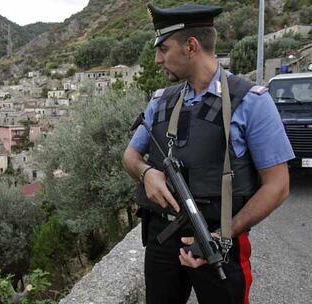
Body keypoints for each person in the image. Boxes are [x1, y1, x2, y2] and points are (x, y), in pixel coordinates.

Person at [122, 3, 295, 304]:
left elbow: (278, 186)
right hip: (162, 238)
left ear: (191, 46)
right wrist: (147, 173)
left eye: (163, 48)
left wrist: (222, 237)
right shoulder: (160, 102)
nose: (157, 59)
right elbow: (130, 157)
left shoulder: (251, 102)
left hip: (219, 241)